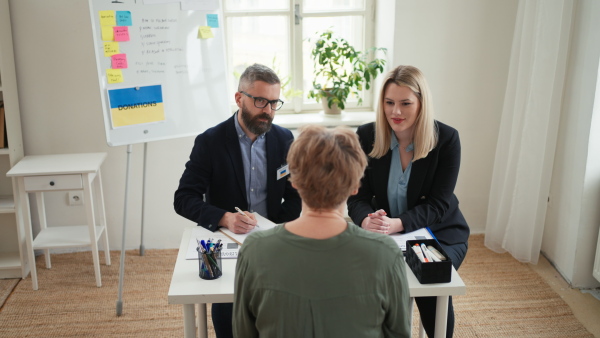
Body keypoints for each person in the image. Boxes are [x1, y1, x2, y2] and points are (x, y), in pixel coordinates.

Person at [233, 125, 411, 338]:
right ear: (355, 185)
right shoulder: (386, 253)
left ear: (295, 181)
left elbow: (243, 332)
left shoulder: (254, 249)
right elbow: (399, 333)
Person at [174, 63, 302, 338]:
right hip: (228, 242)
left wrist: (272, 227)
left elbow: (295, 197)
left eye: (273, 102)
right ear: (238, 98)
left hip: (273, 240)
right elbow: (184, 198)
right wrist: (225, 218)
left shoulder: (283, 139)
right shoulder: (210, 142)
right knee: (231, 323)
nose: (267, 110)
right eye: (259, 101)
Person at [347, 65, 470, 338]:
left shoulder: (447, 139)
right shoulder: (366, 136)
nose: (396, 112)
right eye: (389, 103)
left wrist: (397, 224)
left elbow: (438, 204)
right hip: (382, 234)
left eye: (405, 103)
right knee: (373, 290)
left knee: (428, 287)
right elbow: (358, 196)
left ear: (422, 103)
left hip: (440, 234)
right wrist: (367, 219)